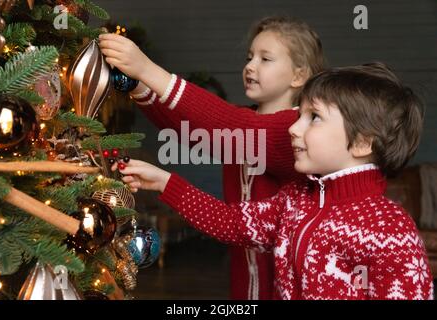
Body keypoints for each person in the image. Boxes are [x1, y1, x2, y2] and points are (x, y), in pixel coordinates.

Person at [112, 63, 434, 299]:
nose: (294, 129)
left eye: (314, 118)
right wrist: (167, 182)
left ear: (363, 142)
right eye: (299, 116)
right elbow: (231, 222)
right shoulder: (296, 198)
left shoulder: (389, 230)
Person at [99, 16, 324, 299]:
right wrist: (138, 86)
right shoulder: (243, 123)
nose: (250, 66)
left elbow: (235, 125)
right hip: (243, 281)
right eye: (249, 57)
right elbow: (187, 129)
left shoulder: (294, 130)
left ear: (299, 76)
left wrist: (146, 69)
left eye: (265, 59)